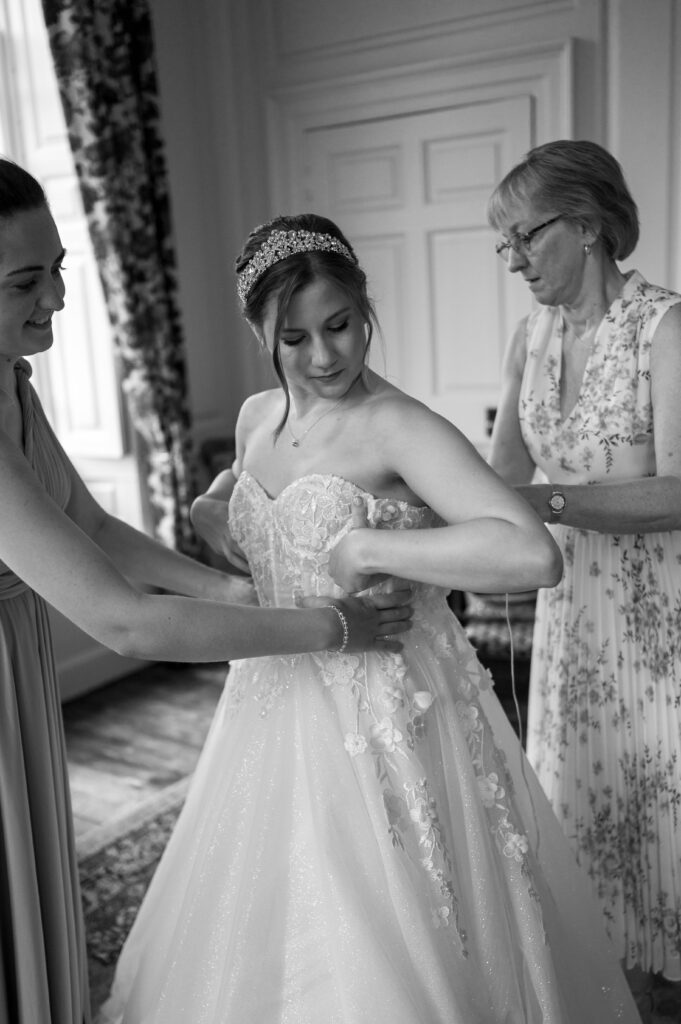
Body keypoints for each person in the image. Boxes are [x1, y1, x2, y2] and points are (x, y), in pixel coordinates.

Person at [98, 212, 642, 1024]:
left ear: (364, 309)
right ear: (259, 332)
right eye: (294, 338)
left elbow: (531, 555)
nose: (323, 358)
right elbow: (239, 495)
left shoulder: (397, 424)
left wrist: (369, 548)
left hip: (388, 708)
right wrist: (213, 509)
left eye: (341, 326)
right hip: (268, 700)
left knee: (391, 931)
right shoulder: (256, 418)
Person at [0, 160, 414, 1024]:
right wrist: (327, 626)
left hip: (20, 659)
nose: (58, 299)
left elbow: (94, 529)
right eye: (25, 281)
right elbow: (124, 623)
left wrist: (237, 588)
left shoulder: (12, 379)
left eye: (59, 269)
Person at [486, 138, 681, 1018]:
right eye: (506, 246)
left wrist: (552, 500)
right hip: (568, 623)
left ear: (589, 223)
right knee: (583, 818)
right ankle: (621, 991)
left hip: (657, 622)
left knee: (659, 811)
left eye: (524, 237)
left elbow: (678, 489)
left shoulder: (665, 327)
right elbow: (495, 484)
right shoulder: (528, 338)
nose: (515, 261)